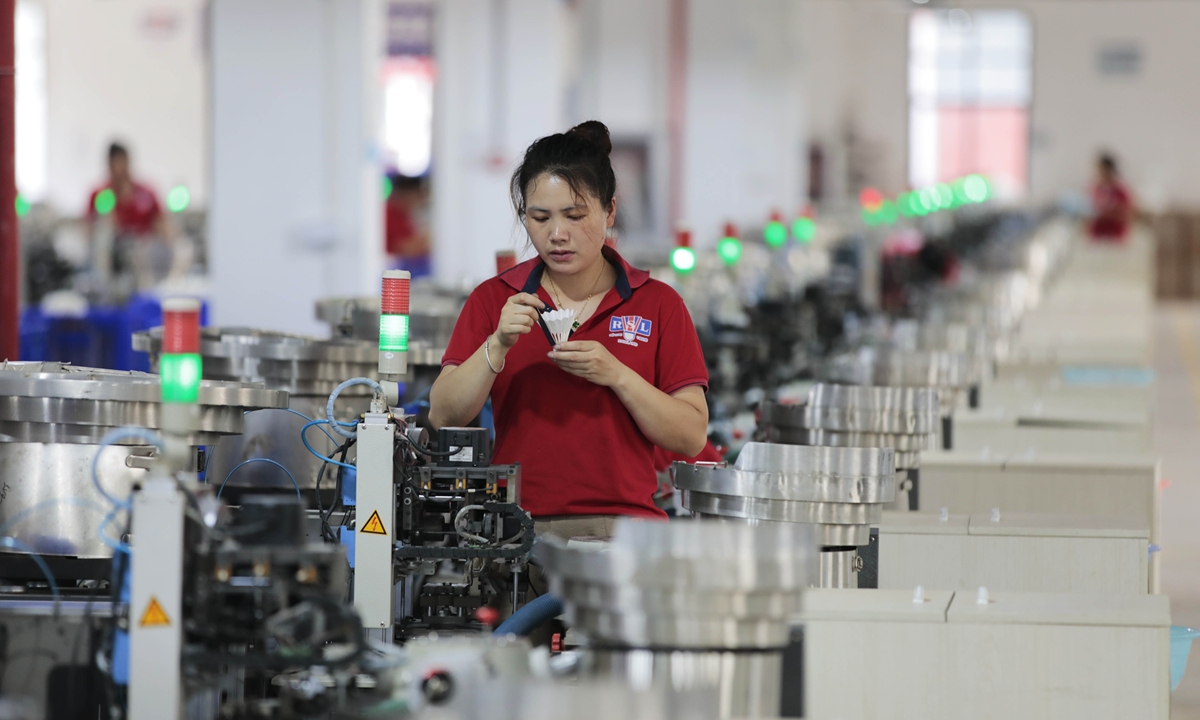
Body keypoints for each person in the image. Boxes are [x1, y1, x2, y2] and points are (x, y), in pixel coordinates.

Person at [429, 121, 710, 542]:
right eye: (540, 217)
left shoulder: (657, 304)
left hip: (623, 532)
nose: (557, 234)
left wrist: (618, 376)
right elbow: (443, 415)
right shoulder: (496, 299)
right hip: (516, 532)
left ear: (609, 211)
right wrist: (497, 345)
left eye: (575, 216)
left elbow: (690, 436)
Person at [85, 142, 179, 296]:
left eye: (122, 163)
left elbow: (163, 226)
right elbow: (88, 232)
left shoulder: (147, 193)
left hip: (144, 259)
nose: (119, 169)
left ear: (128, 162)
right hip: (112, 261)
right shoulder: (100, 195)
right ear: (108, 165)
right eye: (114, 164)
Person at [1088, 153, 1134, 242]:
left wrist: (1106, 212)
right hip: (1098, 236)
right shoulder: (1096, 189)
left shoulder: (1120, 191)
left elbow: (1127, 213)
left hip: (1115, 236)